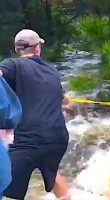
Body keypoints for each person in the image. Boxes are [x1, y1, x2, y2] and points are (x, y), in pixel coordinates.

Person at [0, 29, 70, 200]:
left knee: (6, 187)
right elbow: (63, 99)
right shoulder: (52, 71)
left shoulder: (12, 64)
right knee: (52, 175)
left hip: (27, 142)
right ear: (37, 48)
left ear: (17, 49)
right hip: (57, 138)